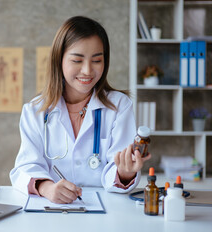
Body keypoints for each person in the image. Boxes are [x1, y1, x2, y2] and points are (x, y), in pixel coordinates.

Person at [10, 16, 151, 204]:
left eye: (97, 60)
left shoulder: (119, 106)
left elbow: (115, 171)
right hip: (50, 210)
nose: (87, 71)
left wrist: (124, 173)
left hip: (103, 210)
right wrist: (47, 188)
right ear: (59, 60)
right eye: (77, 60)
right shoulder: (35, 110)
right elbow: (25, 167)